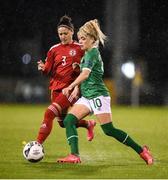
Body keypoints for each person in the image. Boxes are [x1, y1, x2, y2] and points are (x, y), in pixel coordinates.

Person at [57, 19, 154, 165]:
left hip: (98, 95)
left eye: (83, 38)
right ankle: (74, 155)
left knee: (109, 130)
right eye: (80, 39)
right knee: (69, 120)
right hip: (87, 96)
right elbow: (83, 75)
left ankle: (142, 151)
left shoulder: (92, 54)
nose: (80, 42)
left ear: (92, 39)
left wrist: (70, 86)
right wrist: (77, 87)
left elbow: (85, 74)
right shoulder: (87, 54)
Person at [36, 15, 96, 145]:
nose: (62, 36)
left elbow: (87, 67)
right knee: (62, 123)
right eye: (60, 34)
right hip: (55, 89)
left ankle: (37, 145)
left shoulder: (80, 47)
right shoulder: (53, 49)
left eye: (65, 33)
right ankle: (88, 124)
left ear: (72, 32)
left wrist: (78, 70)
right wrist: (43, 68)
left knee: (49, 114)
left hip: (70, 89)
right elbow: (48, 70)